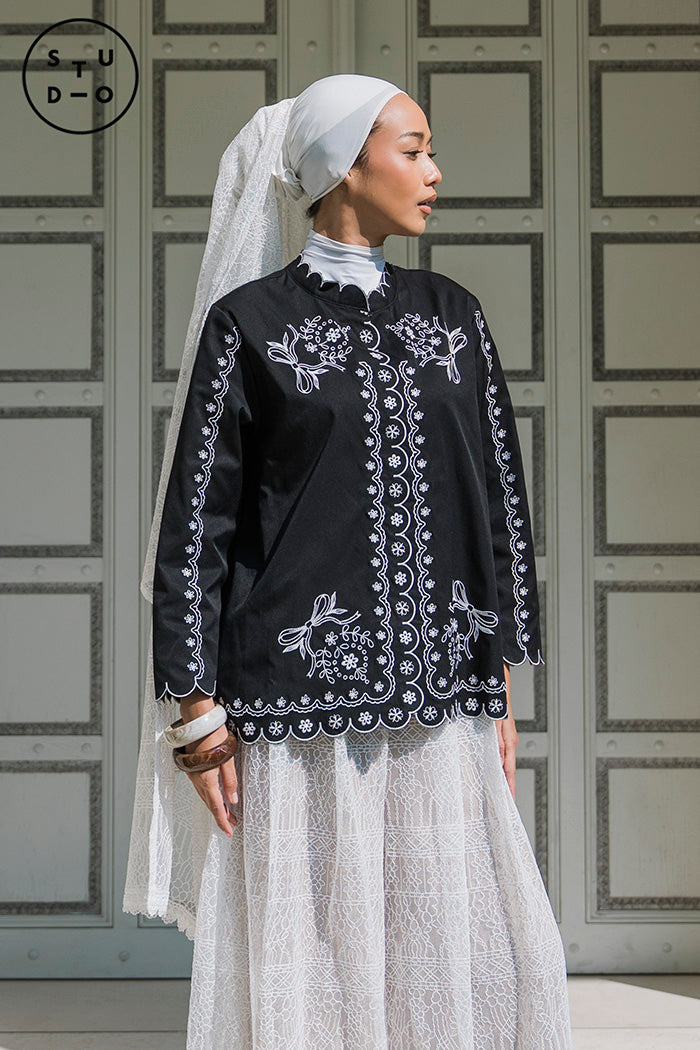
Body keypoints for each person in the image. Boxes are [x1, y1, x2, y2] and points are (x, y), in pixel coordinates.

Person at [124, 74, 573, 1050]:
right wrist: (195, 711)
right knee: (317, 964)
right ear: (342, 168)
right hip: (294, 713)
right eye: (412, 149)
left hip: (441, 702)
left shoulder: (451, 315)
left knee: (469, 951)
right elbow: (196, 525)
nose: (434, 172)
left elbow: (493, 501)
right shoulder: (251, 326)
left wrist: (496, 675)